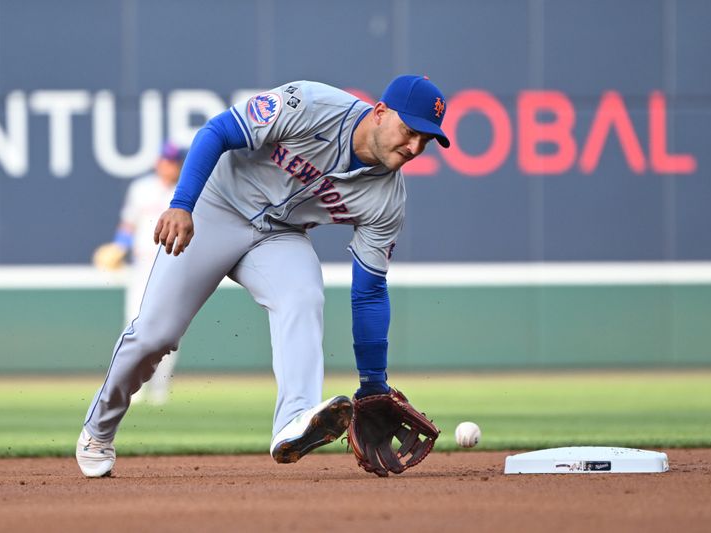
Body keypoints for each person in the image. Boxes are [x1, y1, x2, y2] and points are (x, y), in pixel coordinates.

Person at [76, 75, 450, 477]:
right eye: (409, 132)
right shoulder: (310, 104)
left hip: (279, 236)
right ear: (380, 113)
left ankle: (293, 419)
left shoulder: (387, 200)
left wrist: (374, 384)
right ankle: (98, 431)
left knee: (303, 296)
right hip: (215, 208)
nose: (414, 148)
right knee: (154, 334)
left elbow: (370, 293)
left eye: (425, 141)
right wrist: (182, 203)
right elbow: (217, 130)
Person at [91, 142, 187, 405]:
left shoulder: (187, 190)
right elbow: (128, 223)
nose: (168, 165)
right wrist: (120, 246)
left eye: (173, 161)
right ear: (158, 162)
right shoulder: (141, 189)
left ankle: (159, 390)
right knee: (134, 326)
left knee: (168, 331)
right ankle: (133, 388)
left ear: (179, 165)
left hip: (174, 267)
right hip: (143, 267)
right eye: (164, 160)